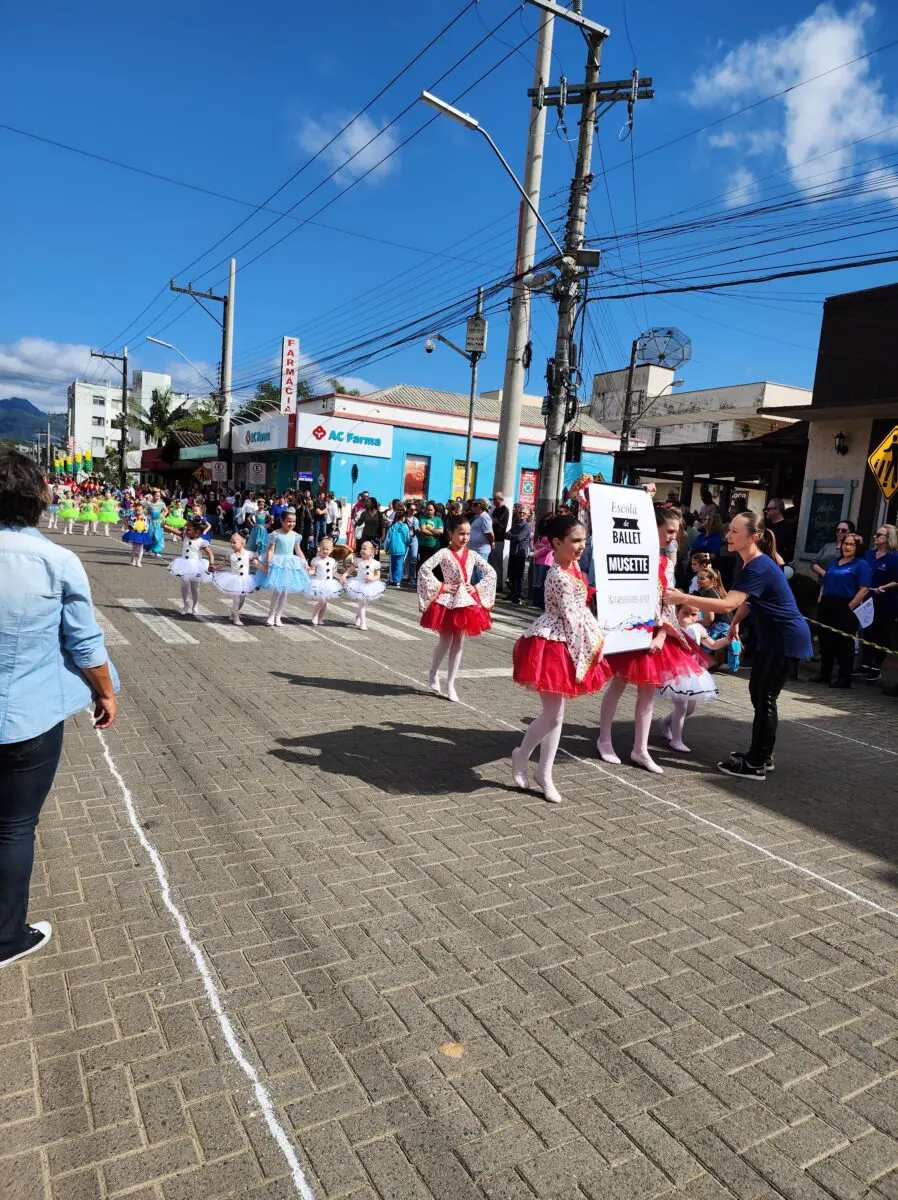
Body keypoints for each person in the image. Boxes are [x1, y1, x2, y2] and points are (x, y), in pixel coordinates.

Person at [0, 450, 118, 969]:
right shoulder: (56, 559)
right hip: (28, 716)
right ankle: (6, 937)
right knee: (14, 825)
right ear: (37, 499)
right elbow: (85, 644)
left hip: (26, 715)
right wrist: (105, 692)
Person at [665, 509, 813, 780]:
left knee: (765, 696)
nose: (728, 535)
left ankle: (757, 761)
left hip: (785, 638)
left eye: (734, 531)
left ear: (753, 537)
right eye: (729, 529)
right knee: (759, 692)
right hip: (773, 637)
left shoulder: (758, 564)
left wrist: (684, 598)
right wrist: (735, 625)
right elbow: (746, 602)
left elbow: (729, 603)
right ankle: (761, 754)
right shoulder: (749, 562)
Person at [598, 508, 708, 774]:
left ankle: (641, 748)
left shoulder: (665, 564)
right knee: (618, 684)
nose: (672, 537)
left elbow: (667, 604)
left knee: (647, 692)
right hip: (628, 631)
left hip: (653, 635)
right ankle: (604, 739)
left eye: (675, 532)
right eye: (669, 531)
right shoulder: (628, 556)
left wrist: (660, 634)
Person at [511, 514, 611, 803]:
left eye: (583, 539)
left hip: (569, 640)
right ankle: (522, 755)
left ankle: (544, 771)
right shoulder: (558, 575)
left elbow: (579, 613)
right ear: (557, 543)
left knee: (558, 715)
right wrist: (593, 647)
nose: (582, 546)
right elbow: (572, 619)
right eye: (575, 540)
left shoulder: (574, 565)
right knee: (553, 714)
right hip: (555, 644)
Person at [417, 514, 497, 703]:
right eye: (461, 534)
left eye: (468, 534)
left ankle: (450, 683)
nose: (465, 538)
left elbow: (490, 572)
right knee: (445, 641)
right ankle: (433, 672)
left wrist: (476, 587)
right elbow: (424, 569)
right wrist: (440, 586)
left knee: (459, 642)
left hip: (465, 601)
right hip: (447, 601)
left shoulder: (473, 554)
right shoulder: (443, 553)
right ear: (450, 534)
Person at [656, 604, 725, 753]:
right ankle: (676, 740)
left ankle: (665, 722)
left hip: (693, 672)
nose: (689, 617)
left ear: (699, 615)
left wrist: (728, 639)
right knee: (682, 707)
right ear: (677, 612)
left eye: (694, 614)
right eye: (685, 613)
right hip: (675, 672)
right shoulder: (671, 627)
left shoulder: (699, 628)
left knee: (690, 710)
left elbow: (713, 645)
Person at [810, 532, 871, 688]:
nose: (847, 547)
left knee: (843, 643)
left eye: (851, 544)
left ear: (857, 548)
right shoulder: (835, 562)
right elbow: (826, 579)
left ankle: (844, 677)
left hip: (845, 605)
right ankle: (825, 673)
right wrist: (821, 597)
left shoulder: (861, 565)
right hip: (827, 604)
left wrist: (850, 607)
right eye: (846, 543)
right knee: (825, 641)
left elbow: (864, 589)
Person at [258, 509, 313, 626]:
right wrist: (268, 564)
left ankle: (279, 616)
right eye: (288, 521)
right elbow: (271, 549)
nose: (291, 524)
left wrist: (305, 563)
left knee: (285, 592)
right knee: (277, 590)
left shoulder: (295, 535)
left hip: (290, 564)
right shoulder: (275, 534)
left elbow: (298, 550)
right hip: (278, 563)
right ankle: (271, 615)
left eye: (293, 522)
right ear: (282, 521)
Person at [861, 524, 898, 682]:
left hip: (886, 601)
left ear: (888, 539)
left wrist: (883, 587)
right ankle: (864, 664)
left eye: (879, 535)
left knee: (882, 634)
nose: (876, 537)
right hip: (868, 599)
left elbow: (897, 580)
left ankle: (876, 667)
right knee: (867, 631)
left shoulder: (895, 558)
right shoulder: (869, 554)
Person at [168, 518, 216, 616]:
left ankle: (195, 605)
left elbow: (210, 553)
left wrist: (211, 564)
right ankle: (186, 604)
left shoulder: (201, 541)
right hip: (184, 564)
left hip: (196, 566)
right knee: (184, 585)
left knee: (195, 587)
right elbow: (176, 531)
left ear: (197, 532)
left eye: (189, 529)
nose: (186, 530)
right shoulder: (185, 536)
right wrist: (165, 526)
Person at [213, 532, 259, 625]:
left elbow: (257, 563)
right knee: (236, 599)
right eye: (231, 542)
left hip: (245, 580)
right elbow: (223, 564)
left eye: (234, 542)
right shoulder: (230, 554)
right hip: (234, 580)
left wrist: (265, 569)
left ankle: (233, 613)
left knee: (242, 600)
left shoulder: (249, 554)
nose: (232, 544)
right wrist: (215, 569)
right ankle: (236, 619)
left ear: (242, 543)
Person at [345, 541, 386, 631]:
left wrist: (372, 579)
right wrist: (344, 576)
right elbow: (350, 570)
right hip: (359, 585)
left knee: (365, 604)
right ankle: (363, 623)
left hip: (370, 586)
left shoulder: (376, 563)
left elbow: (378, 575)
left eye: (365, 548)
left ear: (372, 551)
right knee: (362, 604)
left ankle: (358, 616)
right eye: (361, 548)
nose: (362, 550)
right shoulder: (357, 561)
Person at [309, 538, 345, 626]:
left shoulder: (332, 561)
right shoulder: (316, 560)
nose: (325, 551)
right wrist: (308, 571)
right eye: (323, 549)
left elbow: (334, 572)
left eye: (327, 549)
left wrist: (340, 578)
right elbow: (313, 571)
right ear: (319, 548)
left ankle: (320, 618)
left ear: (331, 550)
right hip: (319, 583)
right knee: (322, 600)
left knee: (325, 603)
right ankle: (314, 616)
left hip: (329, 584)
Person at [507, 506, 533, 605]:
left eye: (524, 513)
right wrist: (514, 535)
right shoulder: (515, 524)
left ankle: (518, 594)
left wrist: (512, 535)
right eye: (520, 513)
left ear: (527, 515)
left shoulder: (527, 526)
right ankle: (512, 592)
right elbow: (506, 534)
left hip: (520, 552)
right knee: (512, 573)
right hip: (513, 551)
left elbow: (519, 538)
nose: (521, 514)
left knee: (519, 574)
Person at [763, 497, 796, 564]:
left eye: (769, 509)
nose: (766, 511)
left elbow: (788, 550)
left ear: (777, 510)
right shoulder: (768, 526)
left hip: (777, 564)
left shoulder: (787, 528)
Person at [490, 491, 510, 590]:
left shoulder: (504, 510)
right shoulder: (495, 510)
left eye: (495, 499)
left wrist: (494, 521)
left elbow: (496, 522)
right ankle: (492, 582)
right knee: (491, 562)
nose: (493, 501)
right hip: (492, 539)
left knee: (497, 562)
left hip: (499, 539)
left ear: (500, 499)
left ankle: (499, 584)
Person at [417, 503, 443, 571]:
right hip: (424, 546)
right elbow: (423, 530)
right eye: (428, 510)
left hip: (435, 546)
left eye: (431, 510)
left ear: (434, 510)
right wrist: (435, 533)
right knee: (423, 566)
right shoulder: (422, 519)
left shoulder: (438, 520)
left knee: (435, 567)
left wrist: (429, 529)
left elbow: (441, 531)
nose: (429, 512)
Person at [146, 489, 168, 557]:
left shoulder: (161, 503)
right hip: (150, 521)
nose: (158, 497)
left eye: (159, 496)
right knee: (150, 535)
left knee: (158, 536)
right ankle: (149, 550)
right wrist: (147, 515)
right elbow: (145, 510)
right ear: (153, 496)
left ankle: (156, 551)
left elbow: (166, 511)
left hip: (158, 522)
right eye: (156, 496)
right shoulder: (149, 503)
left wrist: (162, 515)